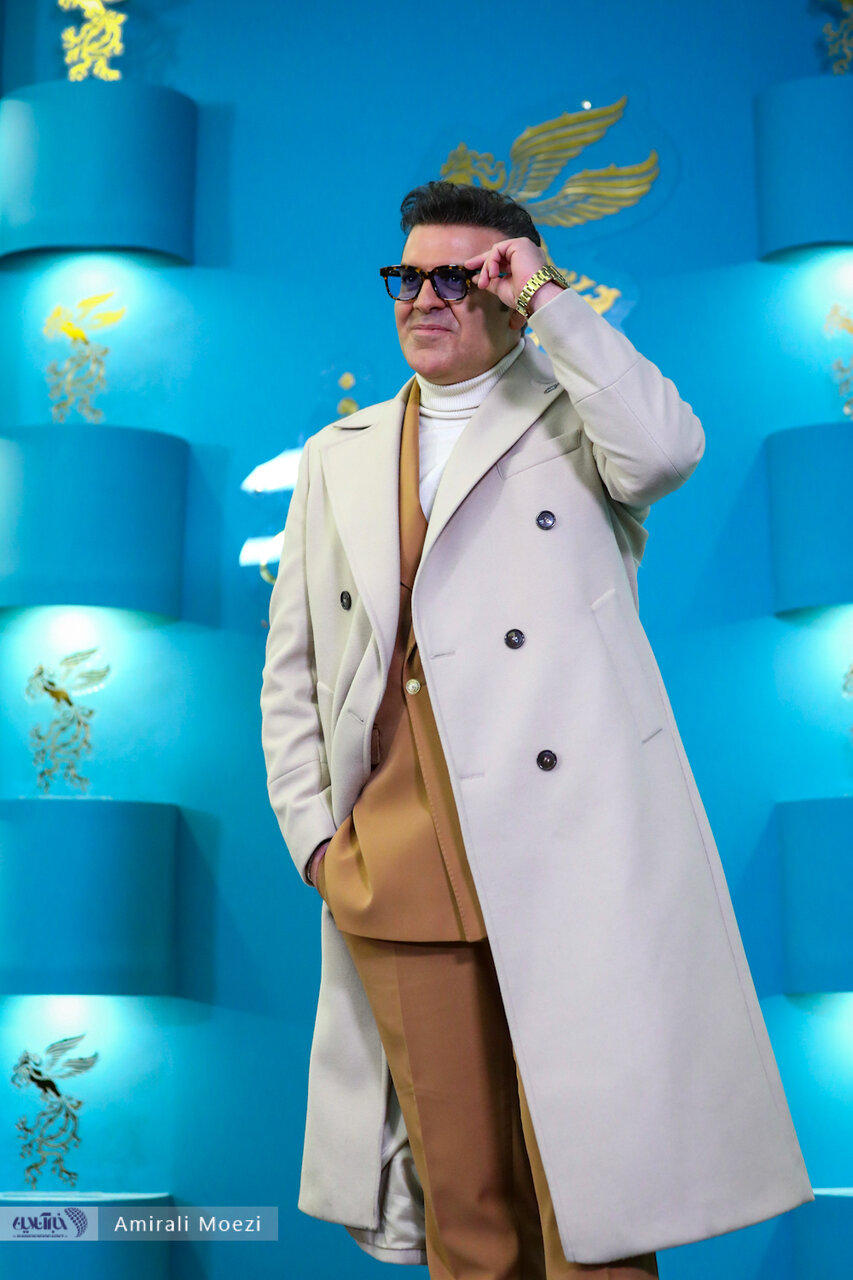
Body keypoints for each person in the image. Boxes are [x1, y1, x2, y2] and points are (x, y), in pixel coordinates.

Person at [260, 181, 813, 1278]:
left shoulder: (576, 418)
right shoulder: (338, 454)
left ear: (511, 286)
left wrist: (552, 301)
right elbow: (295, 667)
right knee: (460, 1197)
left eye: (459, 277)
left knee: (597, 1189)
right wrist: (319, 842)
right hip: (396, 856)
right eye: (408, 276)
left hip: (569, 845)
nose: (425, 298)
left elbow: (667, 450)